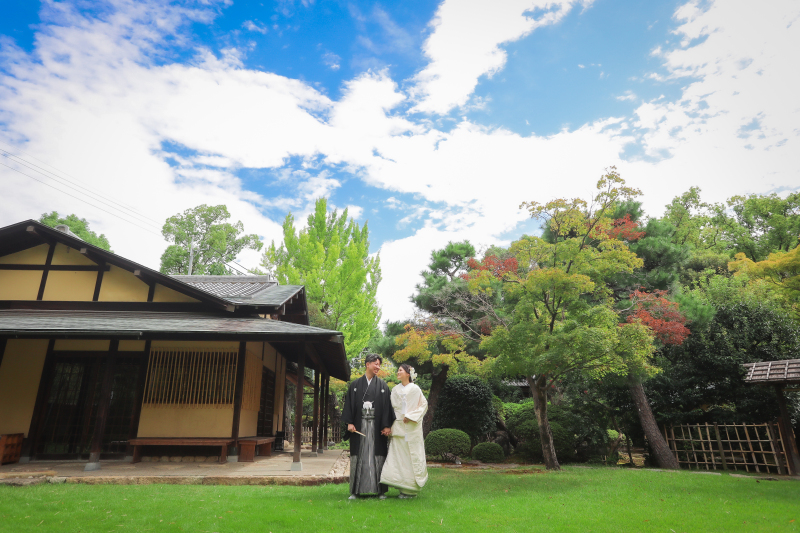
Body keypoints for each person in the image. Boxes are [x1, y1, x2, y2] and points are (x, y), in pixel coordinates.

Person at [341, 353, 395, 499]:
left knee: (378, 455)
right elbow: (349, 405)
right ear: (367, 364)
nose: (378, 367)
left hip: (377, 428)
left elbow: (387, 408)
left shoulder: (383, 386)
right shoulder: (355, 385)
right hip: (359, 426)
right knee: (359, 455)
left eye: (379, 364)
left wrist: (386, 425)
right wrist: (350, 422)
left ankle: (380, 491)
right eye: (375, 364)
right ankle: (355, 491)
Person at [380, 364, 428, 499]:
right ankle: (401, 486)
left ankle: (411, 490)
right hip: (398, 427)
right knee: (398, 458)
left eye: (400, 370)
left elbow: (423, 405)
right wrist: (387, 425)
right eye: (398, 370)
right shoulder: (395, 390)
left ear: (408, 373)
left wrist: (411, 416)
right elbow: (389, 409)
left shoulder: (416, 389)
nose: (398, 372)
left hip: (411, 428)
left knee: (411, 456)